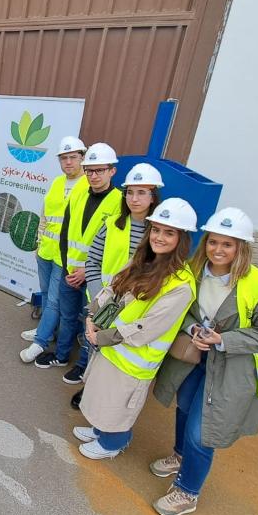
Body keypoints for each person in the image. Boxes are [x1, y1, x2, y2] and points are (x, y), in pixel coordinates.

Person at [148, 207, 258, 515]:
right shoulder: (195, 273)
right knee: (184, 409)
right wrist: (194, 329)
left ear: (241, 248)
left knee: (202, 430)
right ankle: (180, 457)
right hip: (194, 358)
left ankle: (187, 492)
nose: (218, 250)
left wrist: (223, 341)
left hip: (230, 369)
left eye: (228, 244)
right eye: (213, 242)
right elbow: (187, 313)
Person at [73, 198, 198, 460]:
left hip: (132, 356)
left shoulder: (180, 284)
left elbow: (147, 327)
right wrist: (93, 314)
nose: (159, 237)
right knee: (102, 396)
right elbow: (112, 288)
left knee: (118, 406)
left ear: (182, 238)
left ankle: (113, 443)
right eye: (156, 230)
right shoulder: (143, 260)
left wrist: (101, 336)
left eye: (169, 232)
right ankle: (100, 431)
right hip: (111, 346)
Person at [68, 162, 164, 409]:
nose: (134, 199)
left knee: (117, 351)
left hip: (133, 306)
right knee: (95, 341)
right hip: (105, 297)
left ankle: (106, 399)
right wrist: (98, 294)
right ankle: (87, 388)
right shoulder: (113, 224)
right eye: (130, 192)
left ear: (153, 196)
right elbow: (93, 261)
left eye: (142, 192)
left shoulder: (158, 232)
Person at [52, 143, 124, 380]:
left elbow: (116, 247)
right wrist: (67, 267)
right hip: (70, 271)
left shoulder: (120, 203)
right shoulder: (78, 194)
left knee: (91, 323)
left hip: (97, 280)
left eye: (99, 170)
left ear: (112, 171)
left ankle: (83, 366)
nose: (93, 176)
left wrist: (87, 272)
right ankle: (61, 355)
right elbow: (65, 234)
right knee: (67, 315)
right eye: (89, 170)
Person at [19, 136, 87, 347]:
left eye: (73, 157)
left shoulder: (88, 185)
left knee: (55, 300)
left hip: (67, 256)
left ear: (82, 158)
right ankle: (47, 331)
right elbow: (45, 215)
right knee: (48, 294)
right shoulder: (57, 182)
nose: (68, 162)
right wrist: (39, 242)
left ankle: (42, 338)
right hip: (46, 250)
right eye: (64, 158)